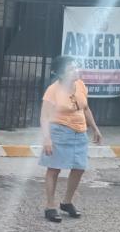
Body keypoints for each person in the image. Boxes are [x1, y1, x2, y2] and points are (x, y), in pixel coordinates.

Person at [39, 56, 102, 223]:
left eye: (76, 67)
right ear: (60, 73)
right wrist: (47, 139)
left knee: (79, 167)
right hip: (59, 131)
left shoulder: (80, 85)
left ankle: (66, 202)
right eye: (71, 69)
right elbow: (44, 117)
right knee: (54, 169)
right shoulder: (53, 90)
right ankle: (50, 206)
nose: (76, 71)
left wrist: (95, 128)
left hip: (80, 132)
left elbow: (86, 108)